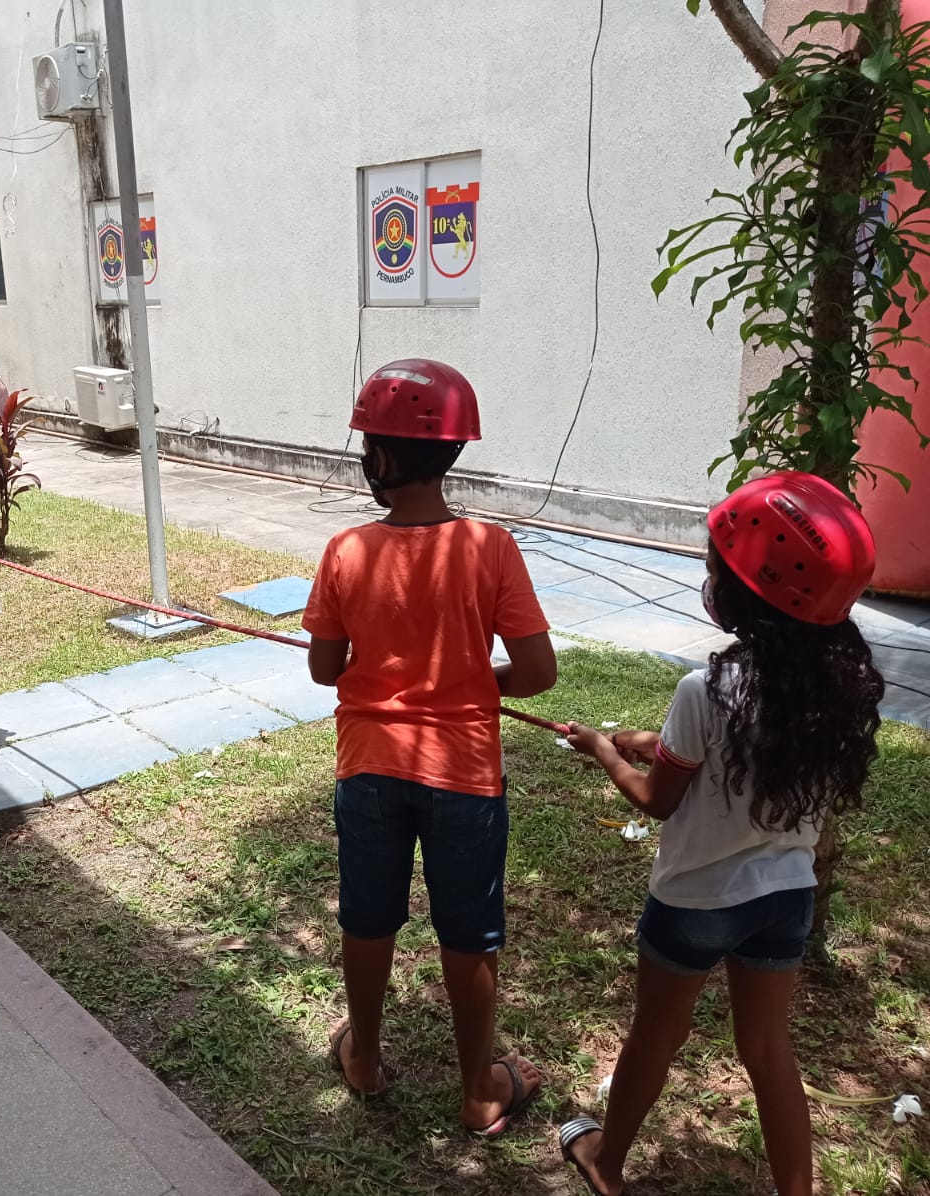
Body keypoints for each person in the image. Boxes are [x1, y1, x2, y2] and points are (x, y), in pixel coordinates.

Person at [557, 472, 883, 1196]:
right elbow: (725, 761)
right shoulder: (835, 690)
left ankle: (606, 1164)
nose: (708, 577)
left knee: (655, 1036)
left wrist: (605, 750)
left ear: (752, 592)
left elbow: (657, 800)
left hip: (695, 903)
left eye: (715, 567)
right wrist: (652, 738)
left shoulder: (704, 691)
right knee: (768, 1049)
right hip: (785, 899)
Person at [302, 358, 557, 1135]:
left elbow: (324, 669)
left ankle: (366, 1058)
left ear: (377, 458)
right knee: (469, 932)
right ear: (452, 453)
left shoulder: (346, 549)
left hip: (370, 766)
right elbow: (539, 672)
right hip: (465, 775)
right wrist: (474, 684)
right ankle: (480, 1091)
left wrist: (372, 663)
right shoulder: (491, 547)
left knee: (368, 916)